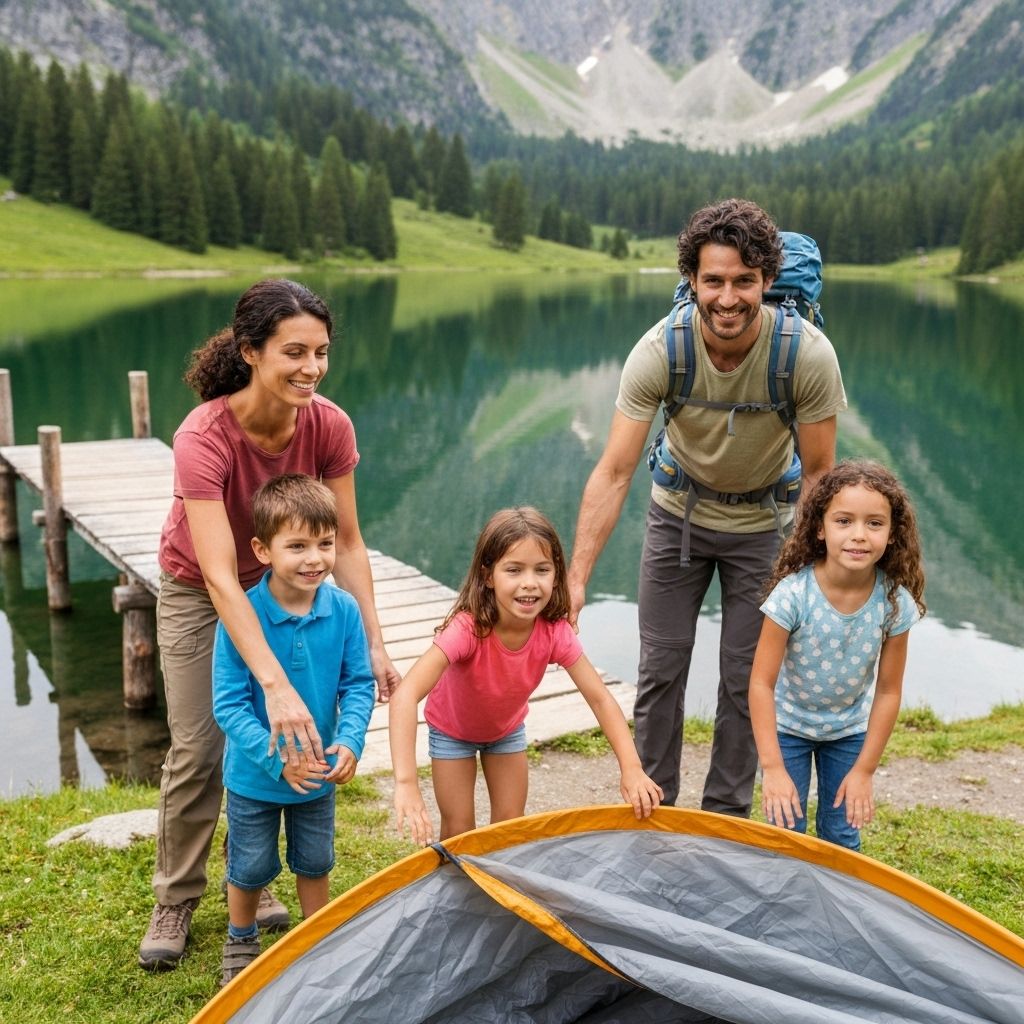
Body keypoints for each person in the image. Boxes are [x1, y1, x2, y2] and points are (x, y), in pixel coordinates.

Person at [139, 279, 399, 971]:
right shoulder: (204, 435)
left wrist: (372, 639)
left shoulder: (329, 425)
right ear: (250, 351)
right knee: (201, 744)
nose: (311, 368)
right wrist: (273, 682)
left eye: (321, 352)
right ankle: (177, 895)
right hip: (203, 588)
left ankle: (246, 874)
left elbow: (344, 541)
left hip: (292, 583)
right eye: (294, 352)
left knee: (289, 728)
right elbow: (223, 576)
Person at [567, 198, 847, 817]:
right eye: (713, 280)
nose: (728, 297)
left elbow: (822, 474)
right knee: (661, 668)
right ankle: (654, 810)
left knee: (749, 681)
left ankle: (724, 818)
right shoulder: (661, 350)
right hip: (677, 518)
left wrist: (814, 572)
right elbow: (613, 472)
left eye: (744, 282)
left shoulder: (805, 354)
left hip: (766, 527)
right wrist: (577, 578)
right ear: (691, 280)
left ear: (767, 282)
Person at [390, 506, 663, 844]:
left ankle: (496, 895)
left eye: (542, 570)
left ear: (556, 573)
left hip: (505, 731)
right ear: (488, 576)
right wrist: (406, 783)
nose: (529, 584)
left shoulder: (554, 631)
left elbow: (600, 698)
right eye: (514, 570)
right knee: (458, 832)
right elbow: (405, 694)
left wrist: (631, 767)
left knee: (509, 831)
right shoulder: (467, 629)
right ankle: (461, 895)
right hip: (452, 732)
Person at [213, 473, 375, 985]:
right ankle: (241, 938)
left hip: (318, 775)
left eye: (325, 544)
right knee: (250, 864)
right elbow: (229, 705)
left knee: (315, 858)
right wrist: (273, 755)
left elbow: (358, 684)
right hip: (255, 778)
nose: (315, 559)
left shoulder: (344, 610)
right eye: (297, 545)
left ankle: (316, 936)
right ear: (262, 549)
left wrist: (349, 740)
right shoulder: (240, 617)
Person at [748, 460, 926, 850]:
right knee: (785, 832)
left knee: (842, 835)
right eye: (844, 521)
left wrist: (864, 770)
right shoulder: (792, 596)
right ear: (819, 528)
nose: (859, 535)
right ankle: (783, 907)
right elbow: (761, 684)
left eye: (874, 524)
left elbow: (889, 691)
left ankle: (839, 910)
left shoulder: (894, 603)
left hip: (848, 733)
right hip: (787, 729)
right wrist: (773, 767)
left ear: (893, 533)